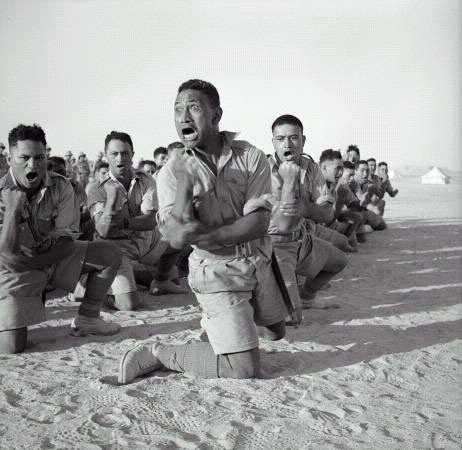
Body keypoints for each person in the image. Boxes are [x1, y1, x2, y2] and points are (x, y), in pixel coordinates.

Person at [118, 79, 288, 383]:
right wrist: (186, 184)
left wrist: (207, 236)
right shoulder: (172, 171)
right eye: (178, 110)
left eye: (193, 108)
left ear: (215, 115)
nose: (183, 116)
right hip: (216, 270)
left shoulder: (250, 156)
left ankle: (218, 332)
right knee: (244, 370)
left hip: (259, 260)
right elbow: (176, 237)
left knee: (276, 331)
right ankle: (158, 352)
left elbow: (260, 222)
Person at [0, 124, 123, 353]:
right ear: (10, 159)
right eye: (24, 158)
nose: (32, 165)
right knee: (11, 347)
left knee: (109, 254)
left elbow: (66, 242)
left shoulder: (60, 185)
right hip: (11, 271)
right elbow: (6, 257)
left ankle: (88, 317)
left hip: (43, 259)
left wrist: (36, 263)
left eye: (39, 157)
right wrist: (12, 210)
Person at [87, 131, 187, 312]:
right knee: (129, 305)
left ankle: (161, 280)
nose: (120, 159)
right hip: (115, 248)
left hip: (144, 238)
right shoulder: (97, 188)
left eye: (125, 153)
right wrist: (111, 200)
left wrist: (125, 222)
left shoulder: (146, 179)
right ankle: (96, 290)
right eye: (114, 154)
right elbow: (103, 231)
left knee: (180, 235)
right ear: (106, 155)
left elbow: (150, 221)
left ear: (132, 154)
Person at [266, 115, 348, 316]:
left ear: (303, 140)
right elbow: (282, 223)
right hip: (272, 245)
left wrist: (307, 209)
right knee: (288, 320)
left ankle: (306, 297)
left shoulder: (311, 168)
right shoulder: (263, 170)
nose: (287, 144)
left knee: (339, 261)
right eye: (280, 139)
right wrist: (291, 181)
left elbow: (327, 214)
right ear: (273, 142)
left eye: (294, 138)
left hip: (301, 238)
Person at [318, 149, 364, 249]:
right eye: (337, 168)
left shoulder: (333, 185)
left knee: (356, 222)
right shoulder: (315, 186)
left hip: (328, 225)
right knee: (343, 245)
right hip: (313, 231)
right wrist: (339, 204)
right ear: (324, 168)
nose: (340, 173)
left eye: (341, 169)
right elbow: (325, 221)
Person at [349, 160, 387, 231]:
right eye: (362, 171)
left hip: (358, 212)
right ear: (355, 171)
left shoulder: (366, 183)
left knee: (381, 223)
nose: (365, 174)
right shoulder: (352, 182)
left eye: (367, 171)